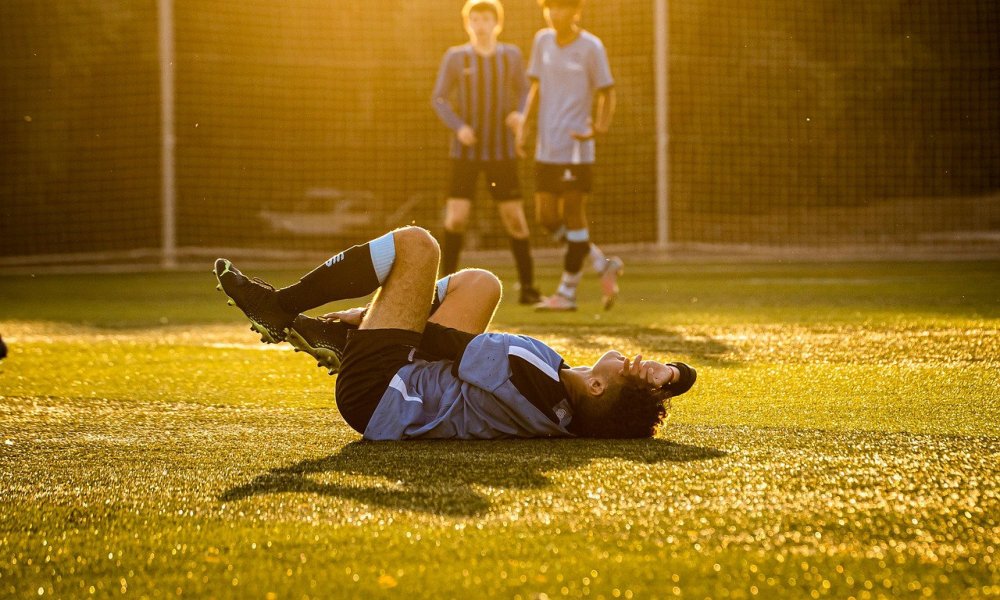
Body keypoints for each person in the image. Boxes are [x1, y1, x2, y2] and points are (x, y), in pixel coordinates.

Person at [212, 226, 696, 440]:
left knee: (418, 247)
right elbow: (684, 376)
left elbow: (439, 341)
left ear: (597, 386)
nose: (635, 361)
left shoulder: (535, 376)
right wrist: (670, 374)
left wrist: (373, 316)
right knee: (483, 284)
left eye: (630, 371)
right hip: (403, 389)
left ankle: (282, 307)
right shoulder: (563, 406)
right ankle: (339, 340)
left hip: (377, 392)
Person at [431, 0, 541, 305]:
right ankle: (442, 292)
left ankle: (529, 288)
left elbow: (524, 91)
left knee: (515, 219)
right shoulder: (455, 57)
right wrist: (459, 126)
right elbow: (439, 98)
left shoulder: (511, 56)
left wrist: (520, 114)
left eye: (486, 19)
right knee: (456, 219)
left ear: (497, 23)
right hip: (464, 154)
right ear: (468, 23)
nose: (480, 24)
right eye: (475, 19)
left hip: (502, 153)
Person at [517, 0, 621, 311]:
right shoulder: (542, 40)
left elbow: (608, 92)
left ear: (576, 11)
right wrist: (524, 124)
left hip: (576, 149)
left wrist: (598, 128)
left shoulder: (591, 46)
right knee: (547, 218)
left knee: (574, 215)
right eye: (549, 8)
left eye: (561, 8)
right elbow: (535, 88)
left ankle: (567, 293)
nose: (554, 14)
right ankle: (601, 263)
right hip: (547, 148)